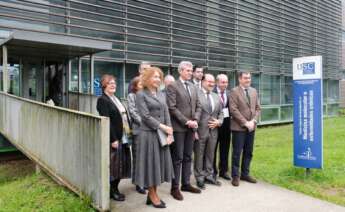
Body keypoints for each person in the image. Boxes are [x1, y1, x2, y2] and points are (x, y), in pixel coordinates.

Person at [135, 67, 174, 208]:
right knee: (151, 165)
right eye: (155, 76)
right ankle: (152, 195)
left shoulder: (161, 94)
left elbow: (166, 113)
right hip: (148, 135)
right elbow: (145, 117)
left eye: (159, 77)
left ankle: (152, 195)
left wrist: (170, 131)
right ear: (147, 78)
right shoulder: (140, 95)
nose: (158, 79)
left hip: (161, 135)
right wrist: (163, 127)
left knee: (158, 165)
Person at [166, 61, 202, 201]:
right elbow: (172, 107)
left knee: (188, 156)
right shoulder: (172, 86)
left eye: (191, 70)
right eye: (187, 70)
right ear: (180, 71)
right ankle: (174, 188)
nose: (190, 72)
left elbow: (199, 106)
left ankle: (186, 184)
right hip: (179, 128)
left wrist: (195, 121)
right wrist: (186, 121)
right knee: (178, 158)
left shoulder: (193, 87)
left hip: (191, 128)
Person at [96, 74, 132, 201]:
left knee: (122, 165)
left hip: (124, 137)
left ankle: (115, 188)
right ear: (104, 85)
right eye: (110, 83)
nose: (113, 85)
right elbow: (107, 121)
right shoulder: (102, 100)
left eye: (114, 83)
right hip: (115, 138)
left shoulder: (116, 98)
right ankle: (113, 191)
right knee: (115, 166)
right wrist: (113, 139)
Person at [230, 71, 261, 187]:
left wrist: (253, 121)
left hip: (251, 127)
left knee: (249, 152)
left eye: (249, 78)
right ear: (240, 79)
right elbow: (233, 110)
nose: (248, 80)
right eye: (245, 78)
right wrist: (245, 123)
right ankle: (235, 176)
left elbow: (258, 108)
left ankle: (245, 173)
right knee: (237, 153)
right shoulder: (234, 92)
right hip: (239, 128)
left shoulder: (254, 91)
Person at [194, 74, 224, 190]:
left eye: (213, 82)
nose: (211, 84)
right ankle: (199, 177)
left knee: (210, 154)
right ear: (202, 81)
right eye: (209, 81)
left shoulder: (216, 96)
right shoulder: (196, 94)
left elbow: (221, 112)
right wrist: (194, 130)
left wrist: (219, 121)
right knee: (199, 155)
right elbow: (193, 112)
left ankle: (209, 175)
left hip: (214, 131)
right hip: (200, 130)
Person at [127, 76, 146, 195]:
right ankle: (138, 183)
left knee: (146, 157)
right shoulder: (131, 96)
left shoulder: (146, 95)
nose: (142, 85)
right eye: (140, 84)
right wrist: (145, 122)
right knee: (138, 157)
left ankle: (144, 181)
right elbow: (132, 112)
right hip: (138, 129)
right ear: (135, 85)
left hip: (148, 130)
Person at [213, 74, 232, 180]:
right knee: (213, 149)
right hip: (214, 125)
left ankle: (223, 171)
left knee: (225, 149)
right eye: (223, 82)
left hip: (226, 126)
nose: (225, 84)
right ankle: (213, 172)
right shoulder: (212, 93)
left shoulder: (229, 93)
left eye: (226, 82)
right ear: (217, 82)